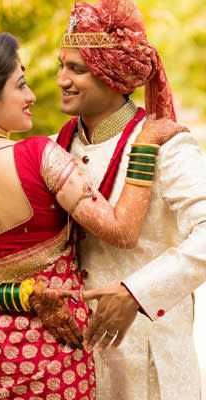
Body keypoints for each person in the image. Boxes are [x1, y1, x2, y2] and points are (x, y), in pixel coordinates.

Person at [0, 32, 185, 399]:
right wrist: (144, 147)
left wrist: (20, 294)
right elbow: (122, 230)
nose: (31, 97)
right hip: (50, 355)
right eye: (21, 85)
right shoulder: (40, 155)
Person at [54, 0, 206, 398]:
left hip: (151, 357)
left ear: (112, 76)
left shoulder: (167, 145)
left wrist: (137, 292)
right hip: (76, 361)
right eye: (61, 65)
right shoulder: (59, 147)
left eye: (77, 69)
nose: (61, 79)